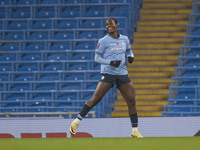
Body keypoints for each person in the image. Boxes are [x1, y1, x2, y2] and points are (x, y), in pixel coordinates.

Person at [70, 17, 143, 138]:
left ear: (116, 25)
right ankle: (76, 121)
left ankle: (135, 130)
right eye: (107, 25)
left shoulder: (124, 39)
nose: (108, 26)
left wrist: (131, 57)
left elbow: (129, 51)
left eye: (110, 24)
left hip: (122, 73)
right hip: (108, 73)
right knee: (96, 99)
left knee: (131, 99)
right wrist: (110, 62)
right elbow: (97, 58)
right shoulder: (103, 41)